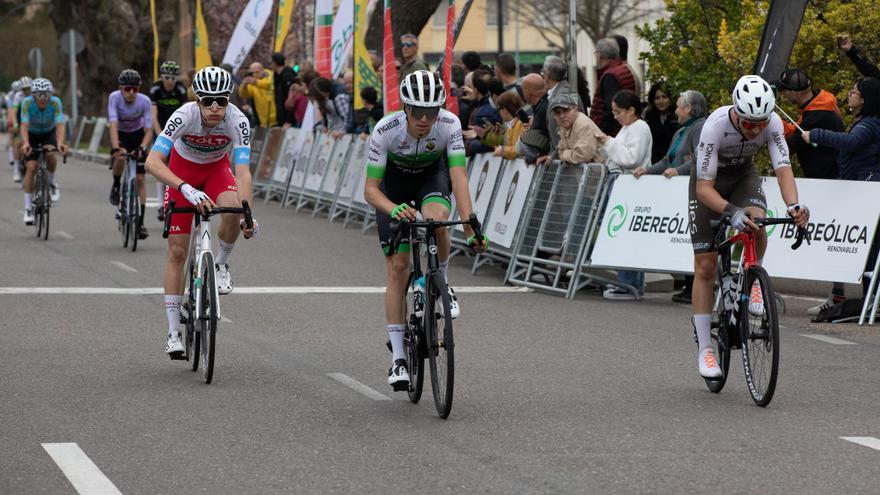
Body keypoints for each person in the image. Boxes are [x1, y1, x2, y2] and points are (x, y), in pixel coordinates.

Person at [363, 70, 486, 390]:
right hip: (393, 189)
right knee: (398, 270)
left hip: (431, 179)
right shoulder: (385, 130)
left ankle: (440, 280)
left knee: (437, 221)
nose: (424, 119)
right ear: (405, 108)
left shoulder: (449, 125)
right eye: (417, 112)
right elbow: (371, 190)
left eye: (431, 112)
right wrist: (394, 209)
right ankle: (399, 358)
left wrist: (471, 224)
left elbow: (458, 178)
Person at [690, 75, 809, 379]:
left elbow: (783, 169)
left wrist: (794, 205)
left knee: (757, 222)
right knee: (704, 266)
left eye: (761, 122)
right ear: (735, 111)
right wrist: (730, 211)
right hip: (709, 184)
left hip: (743, 176)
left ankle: (753, 279)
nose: (756, 128)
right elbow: (705, 189)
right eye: (748, 122)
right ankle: (705, 348)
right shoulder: (714, 127)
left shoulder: (771, 125)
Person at [145, 66, 259, 357]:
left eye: (221, 100)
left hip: (216, 170)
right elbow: (154, 162)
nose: (215, 108)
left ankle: (221, 263)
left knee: (233, 207)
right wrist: (185, 188)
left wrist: (247, 213)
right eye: (207, 101)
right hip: (182, 173)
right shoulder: (184, 115)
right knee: (178, 252)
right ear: (197, 100)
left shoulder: (238, 120)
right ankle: (173, 332)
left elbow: (243, 172)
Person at [803, 77, 880, 302]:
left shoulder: (869, 124)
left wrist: (816, 135)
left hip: (868, 191)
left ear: (865, 99)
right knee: (869, 247)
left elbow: (850, 142)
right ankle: (870, 300)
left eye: (854, 91)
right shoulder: (867, 120)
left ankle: (872, 300)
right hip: (863, 189)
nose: (850, 94)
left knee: (872, 247)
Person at [634, 89, 708, 304]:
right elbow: (668, 160)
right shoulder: (680, 131)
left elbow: (700, 158)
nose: (675, 110)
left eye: (678, 106)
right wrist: (646, 170)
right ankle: (688, 283)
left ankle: (695, 284)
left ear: (689, 109)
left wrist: (679, 171)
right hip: (679, 193)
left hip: (694, 189)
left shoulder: (701, 127)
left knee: (695, 237)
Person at [597, 90, 652, 300]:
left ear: (631, 110)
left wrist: (608, 143)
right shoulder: (630, 128)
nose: (616, 116)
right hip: (625, 183)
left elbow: (631, 158)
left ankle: (628, 284)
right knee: (625, 235)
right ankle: (630, 283)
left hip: (628, 184)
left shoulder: (638, 128)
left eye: (618, 111)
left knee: (623, 234)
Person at [109, 69, 154, 240]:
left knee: (141, 179)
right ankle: (116, 184)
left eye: (135, 89)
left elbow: (149, 130)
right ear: (121, 88)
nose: (131, 93)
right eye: (128, 89)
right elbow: (112, 124)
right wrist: (115, 148)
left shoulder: (144, 101)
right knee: (121, 157)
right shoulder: (114, 98)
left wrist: (143, 146)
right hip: (120, 135)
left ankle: (140, 222)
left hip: (137, 136)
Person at [19, 78, 67, 225]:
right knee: (31, 167)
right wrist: (26, 143)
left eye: (46, 95)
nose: (43, 99)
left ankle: (52, 183)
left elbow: (59, 125)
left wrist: (59, 143)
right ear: (33, 95)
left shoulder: (55, 102)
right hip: (32, 134)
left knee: (51, 155)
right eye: (39, 96)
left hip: (48, 133)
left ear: (50, 95)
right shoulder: (27, 103)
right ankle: (28, 209)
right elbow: (24, 125)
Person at [150, 61, 188, 221]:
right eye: (166, 77)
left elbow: (187, 113)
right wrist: (160, 134)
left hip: (178, 132)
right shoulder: (156, 89)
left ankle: (176, 200)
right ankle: (160, 205)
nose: (170, 81)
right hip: (161, 130)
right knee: (161, 166)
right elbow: (153, 114)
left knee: (176, 167)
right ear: (161, 77)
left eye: (173, 77)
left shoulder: (180, 89)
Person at [590, 38, 636, 137]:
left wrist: (601, 132)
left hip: (612, 133)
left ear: (600, 55)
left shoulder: (609, 76)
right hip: (623, 127)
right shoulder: (624, 69)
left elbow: (610, 109)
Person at [517, 73, 550, 164]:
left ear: (527, 92)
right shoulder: (542, 105)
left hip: (550, 166)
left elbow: (553, 138)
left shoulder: (545, 108)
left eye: (522, 90)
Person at [643, 82, 679, 164]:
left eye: (664, 97)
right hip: (653, 163)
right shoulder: (648, 117)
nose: (661, 101)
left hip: (674, 163)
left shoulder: (678, 116)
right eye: (657, 98)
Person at [238, 62, 277, 127]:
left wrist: (255, 82)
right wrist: (244, 85)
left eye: (257, 72)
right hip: (263, 121)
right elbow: (243, 94)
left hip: (276, 118)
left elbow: (268, 84)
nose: (255, 75)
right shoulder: (253, 82)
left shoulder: (270, 74)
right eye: (253, 73)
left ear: (262, 70)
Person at [10, 77, 33, 183]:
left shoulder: (35, 95)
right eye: (24, 89)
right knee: (18, 143)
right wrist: (15, 124)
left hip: (33, 121)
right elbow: (14, 112)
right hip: (21, 121)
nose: (27, 91)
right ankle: (16, 170)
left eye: (28, 88)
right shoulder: (18, 96)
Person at [493, 91, 527, 160]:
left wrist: (502, 150)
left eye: (499, 109)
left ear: (504, 109)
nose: (499, 112)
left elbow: (519, 150)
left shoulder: (521, 124)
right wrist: (496, 136)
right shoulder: (511, 125)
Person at [272, 52, 298, 127]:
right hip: (282, 117)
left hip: (289, 119)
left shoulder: (287, 76)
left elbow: (290, 97)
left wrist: (288, 120)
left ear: (275, 63)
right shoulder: (277, 76)